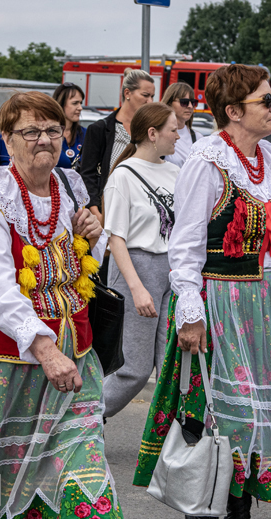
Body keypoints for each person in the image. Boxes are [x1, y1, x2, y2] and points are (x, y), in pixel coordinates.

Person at [133, 65, 271, 519]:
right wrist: (190, 312)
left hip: (266, 304)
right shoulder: (207, 160)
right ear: (232, 111)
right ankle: (209, 506)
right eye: (264, 101)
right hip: (221, 303)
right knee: (220, 420)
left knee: (257, 421)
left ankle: (239, 509)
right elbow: (185, 248)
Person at [0, 91, 121, 519]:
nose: (44, 140)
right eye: (30, 131)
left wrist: (94, 233)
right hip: (5, 359)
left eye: (53, 130)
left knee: (86, 481)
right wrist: (44, 348)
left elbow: (89, 260)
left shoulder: (70, 184)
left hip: (76, 355)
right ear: (8, 140)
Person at [102, 103, 180, 417]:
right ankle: (85, 423)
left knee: (169, 367)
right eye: (172, 129)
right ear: (152, 133)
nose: (178, 135)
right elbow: (115, 237)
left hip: (171, 270)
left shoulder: (175, 171)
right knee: (134, 369)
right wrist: (136, 288)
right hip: (137, 268)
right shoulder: (123, 176)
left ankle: (166, 439)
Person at [79, 68, 155, 222]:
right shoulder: (100, 129)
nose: (150, 101)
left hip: (141, 214)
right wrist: (96, 212)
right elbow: (87, 174)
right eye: (145, 95)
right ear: (127, 93)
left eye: (152, 96)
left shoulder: (151, 131)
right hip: (106, 211)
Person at [162, 81, 197, 168]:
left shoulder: (198, 137)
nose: (190, 106)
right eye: (184, 102)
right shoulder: (159, 135)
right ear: (169, 103)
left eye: (193, 102)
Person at [53, 82, 87, 169]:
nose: (80, 108)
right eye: (75, 103)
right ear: (60, 104)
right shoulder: (47, 135)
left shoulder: (86, 134)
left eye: (80, 103)